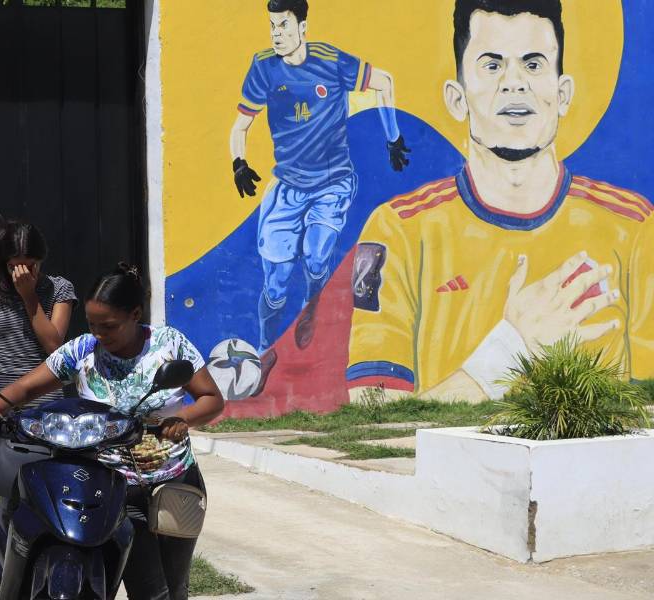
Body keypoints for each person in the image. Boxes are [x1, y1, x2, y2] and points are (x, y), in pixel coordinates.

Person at [347, 0, 653, 403]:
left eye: (533, 64)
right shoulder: (399, 229)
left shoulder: (634, 227)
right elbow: (372, 415)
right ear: (457, 99)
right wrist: (512, 349)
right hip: (450, 469)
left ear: (563, 94)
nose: (514, 83)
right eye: (492, 66)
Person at [0, 263, 225, 600]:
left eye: (109, 326)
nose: (99, 335)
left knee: (172, 587)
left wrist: (183, 419)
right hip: (108, 485)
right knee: (144, 586)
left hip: (172, 482)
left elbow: (211, 399)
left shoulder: (169, 344)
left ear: (135, 314)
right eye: (92, 325)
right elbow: (25, 388)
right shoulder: (82, 351)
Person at [229, 0, 411, 389]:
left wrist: (392, 137)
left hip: (332, 183)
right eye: (272, 26)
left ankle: (312, 303)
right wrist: (238, 163)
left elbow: (385, 81)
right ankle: (265, 351)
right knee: (274, 288)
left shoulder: (331, 61)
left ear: (302, 26)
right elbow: (240, 126)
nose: (277, 33)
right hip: (288, 189)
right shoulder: (263, 67)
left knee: (316, 257)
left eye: (283, 25)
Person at [0, 221, 76, 427]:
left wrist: (29, 296)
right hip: (1, 395)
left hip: (45, 394)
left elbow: (54, 347)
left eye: (29, 266)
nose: (21, 273)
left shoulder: (59, 289)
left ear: (40, 260)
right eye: (13, 267)